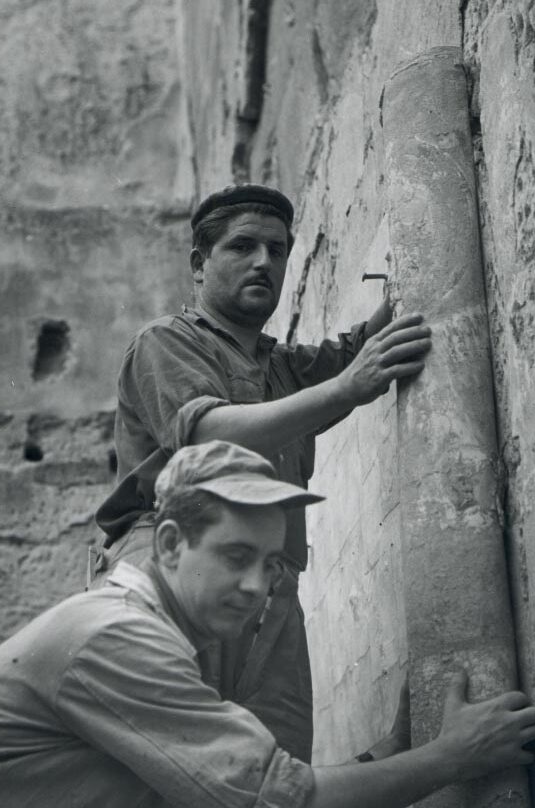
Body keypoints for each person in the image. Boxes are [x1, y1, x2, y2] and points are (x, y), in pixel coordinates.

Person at [0, 441, 535, 808]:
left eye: (271, 563)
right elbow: (276, 801)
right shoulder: (119, 636)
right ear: (167, 545)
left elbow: (234, 783)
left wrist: (384, 757)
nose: (256, 586)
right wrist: (452, 758)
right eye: (236, 557)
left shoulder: (148, 633)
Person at [93, 184, 433, 761]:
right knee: (169, 771)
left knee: (277, 767)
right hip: (175, 569)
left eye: (277, 251)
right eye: (242, 247)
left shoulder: (282, 367)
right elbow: (209, 434)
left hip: (269, 587)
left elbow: (354, 353)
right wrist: (349, 385)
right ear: (199, 264)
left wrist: (407, 291)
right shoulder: (165, 342)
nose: (264, 262)